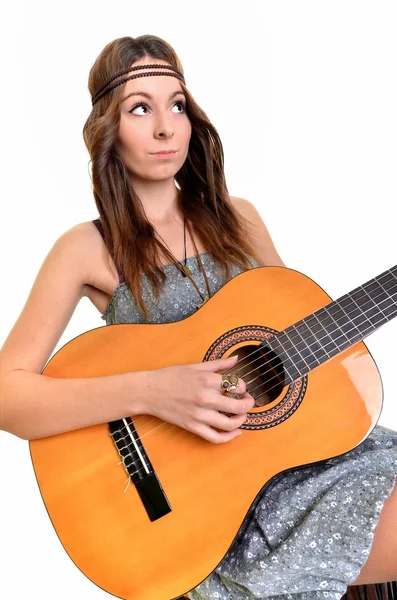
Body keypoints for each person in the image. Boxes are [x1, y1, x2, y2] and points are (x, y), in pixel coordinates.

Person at [0, 34, 396, 600]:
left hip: (311, 460)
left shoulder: (241, 218)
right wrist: (155, 391)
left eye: (177, 105)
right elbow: (7, 395)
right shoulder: (86, 249)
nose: (166, 127)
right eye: (141, 108)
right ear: (109, 131)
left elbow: (310, 347)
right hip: (222, 509)